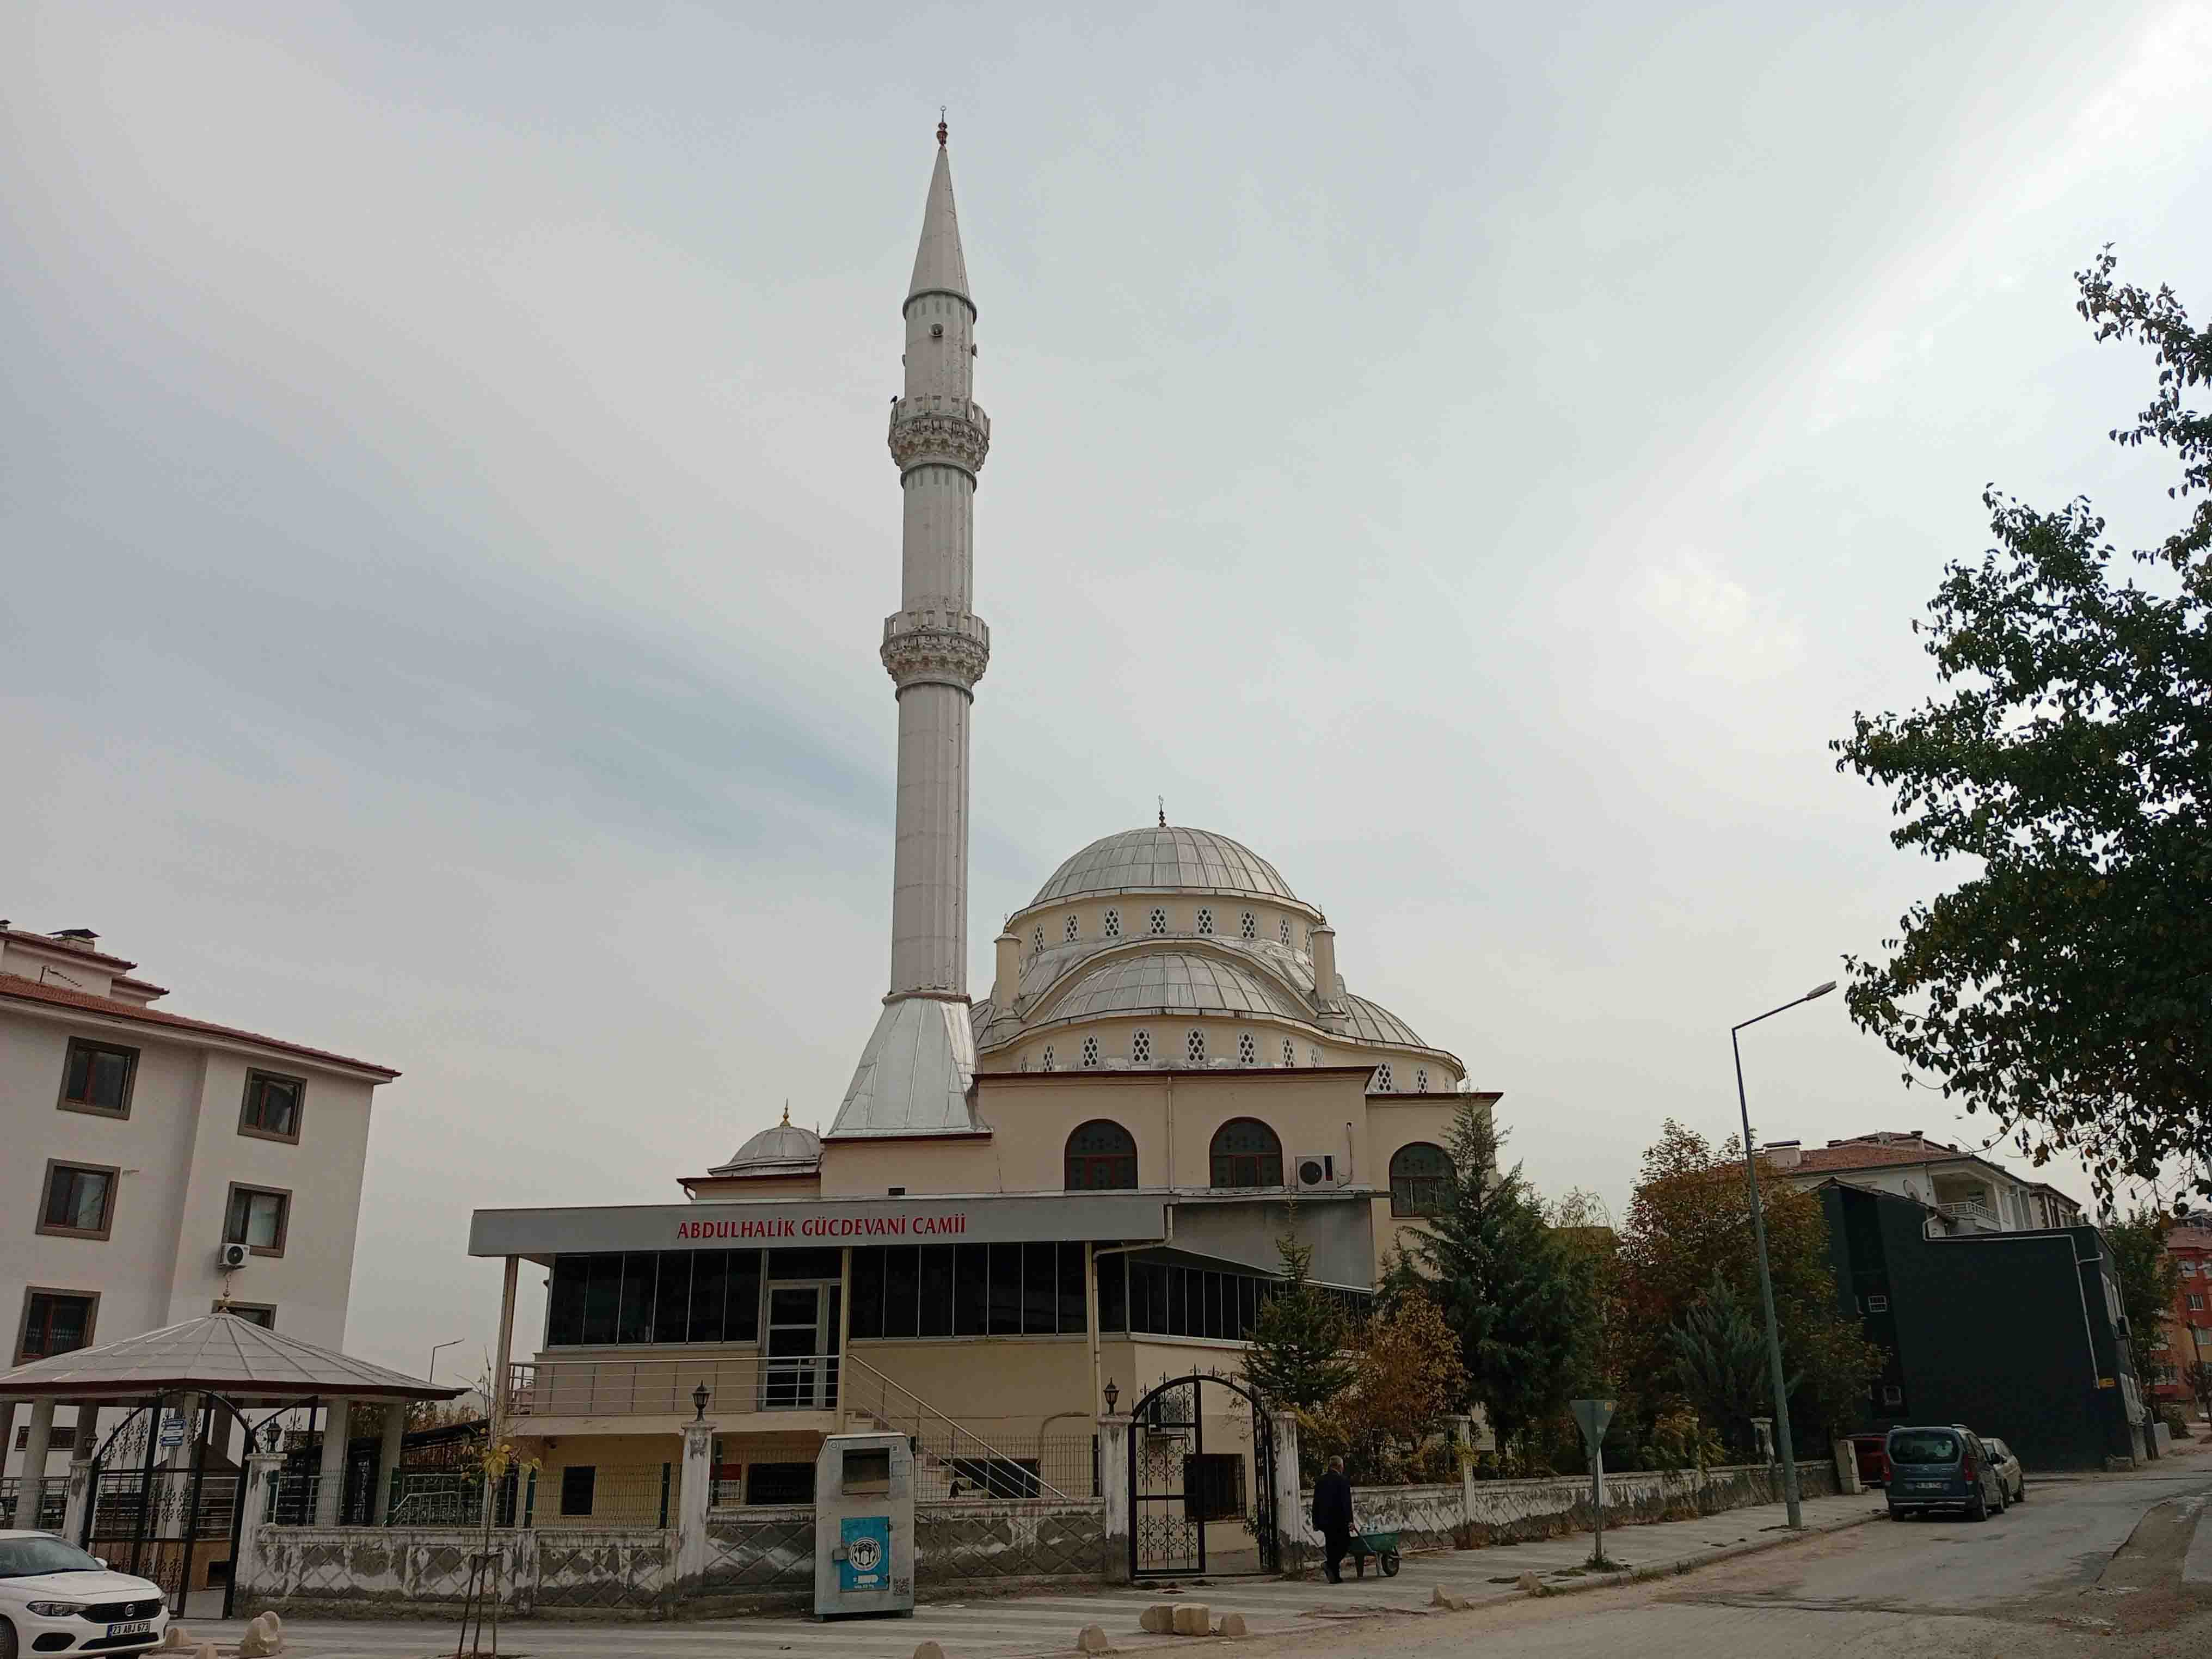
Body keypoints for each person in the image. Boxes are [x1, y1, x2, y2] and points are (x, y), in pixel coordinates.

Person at [1312, 1455, 1354, 1583]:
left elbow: (1316, 1502)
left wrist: (1315, 1521)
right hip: (1339, 1520)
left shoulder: (1320, 1480)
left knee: (1331, 1547)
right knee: (1344, 1544)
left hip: (1324, 1521)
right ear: (1340, 1467)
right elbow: (1346, 1503)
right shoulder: (1342, 1480)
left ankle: (1335, 1577)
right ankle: (1329, 1565)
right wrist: (1350, 1521)